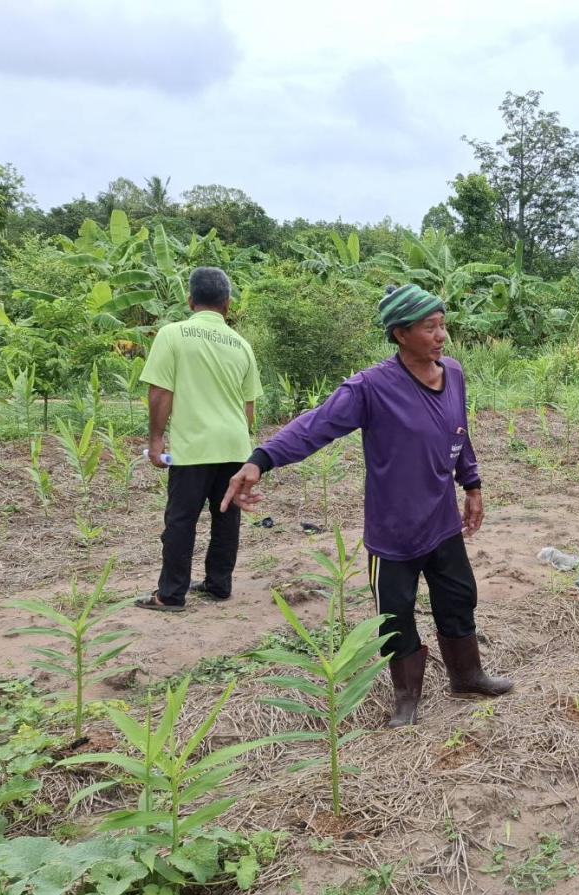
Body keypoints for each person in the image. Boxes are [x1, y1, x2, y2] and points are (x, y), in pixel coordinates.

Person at [219, 284, 512, 727]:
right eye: (430, 328)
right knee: (395, 615)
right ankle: (407, 699)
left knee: (458, 598)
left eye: (442, 325)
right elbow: (313, 426)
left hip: (442, 523)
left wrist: (471, 485)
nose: (441, 336)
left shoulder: (453, 373)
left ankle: (467, 676)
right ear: (400, 334)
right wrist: (262, 459)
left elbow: (459, 432)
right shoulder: (370, 388)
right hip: (393, 533)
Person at [136, 267, 262, 612]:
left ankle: (171, 595)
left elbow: (161, 392)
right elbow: (249, 408)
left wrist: (157, 439)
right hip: (235, 445)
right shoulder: (242, 345)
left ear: (190, 300)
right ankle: (219, 585)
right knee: (226, 517)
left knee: (181, 520)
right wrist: (241, 442)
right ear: (228, 304)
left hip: (194, 446)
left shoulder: (173, 334)